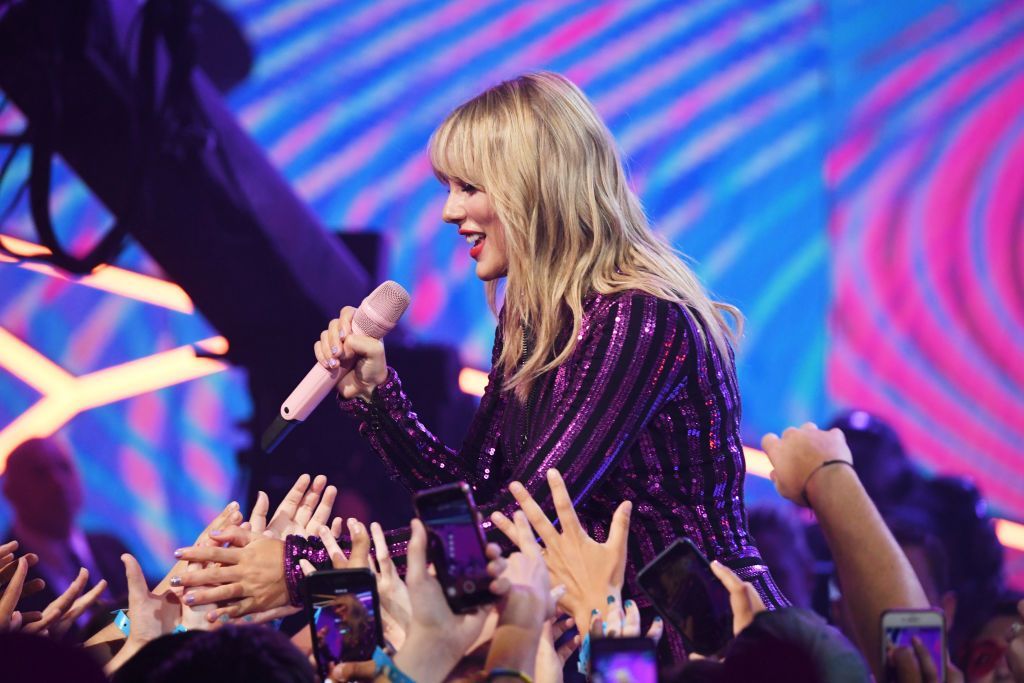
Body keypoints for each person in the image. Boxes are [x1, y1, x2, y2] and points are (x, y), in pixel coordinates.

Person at [315, 72, 788, 637]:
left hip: (709, 640)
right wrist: (377, 400)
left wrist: (310, 567)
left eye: (468, 186)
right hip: (613, 633)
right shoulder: (535, 323)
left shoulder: (635, 318)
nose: (447, 211)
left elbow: (520, 523)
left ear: (534, 186)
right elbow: (480, 502)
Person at [1, 437, 129, 616]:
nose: (58, 483)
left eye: (63, 467)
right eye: (40, 473)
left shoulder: (113, 549)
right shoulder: (4, 576)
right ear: (10, 491)